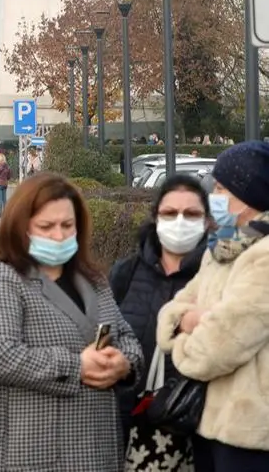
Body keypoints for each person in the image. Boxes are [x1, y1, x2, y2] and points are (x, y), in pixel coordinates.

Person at [0, 172, 142, 472]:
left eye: (67, 225)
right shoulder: (3, 279)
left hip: (98, 450)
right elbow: (1, 354)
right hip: (38, 454)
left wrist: (123, 364)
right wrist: (77, 367)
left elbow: (126, 337)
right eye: (46, 227)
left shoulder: (93, 279)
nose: (59, 235)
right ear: (22, 228)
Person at [157, 141, 269, 472]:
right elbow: (169, 317)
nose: (213, 196)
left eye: (221, 188)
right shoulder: (221, 248)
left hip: (249, 436)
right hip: (207, 424)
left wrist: (190, 327)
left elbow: (218, 349)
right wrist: (193, 322)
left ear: (248, 196)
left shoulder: (263, 257)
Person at [112, 175, 210, 471]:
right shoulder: (125, 274)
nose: (180, 222)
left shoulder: (219, 277)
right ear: (155, 217)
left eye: (191, 214)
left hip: (200, 431)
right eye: (170, 213)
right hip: (132, 426)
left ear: (207, 222)